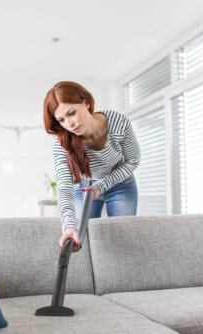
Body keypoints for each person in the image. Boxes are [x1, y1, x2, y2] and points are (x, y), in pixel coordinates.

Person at [43, 81, 140, 252]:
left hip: (121, 184)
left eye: (71, 113)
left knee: (124, 240)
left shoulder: (118, 122)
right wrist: (69, 226)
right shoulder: (62, 144)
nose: (69, 124)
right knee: (83, 240)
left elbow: (132, 161)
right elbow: (65, 187)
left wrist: (100, 186)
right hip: (85, 189)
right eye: (61, 120)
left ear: (86, 103)